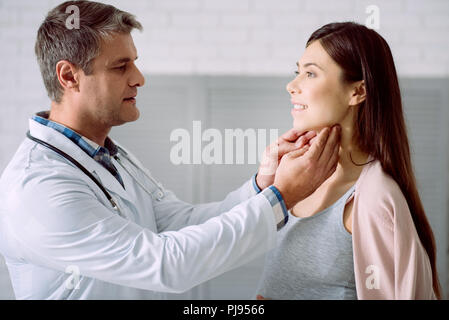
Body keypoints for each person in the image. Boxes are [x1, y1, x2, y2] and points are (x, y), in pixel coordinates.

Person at [0, 1, 341, 299]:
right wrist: (282, 198)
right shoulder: (39, 187)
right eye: (121, 67)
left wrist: (263, 186)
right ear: (69, 76)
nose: (139, 78)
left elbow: (179, 224)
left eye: (134, 62)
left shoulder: (108, 156)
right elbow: (166, 262)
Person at [256, 22, 441, 300]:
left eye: (310, 73)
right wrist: (265, 183)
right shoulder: (292, 174)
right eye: (298, 72)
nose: (292, 85)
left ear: (358, 92)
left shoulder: (375, 197)